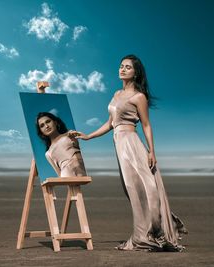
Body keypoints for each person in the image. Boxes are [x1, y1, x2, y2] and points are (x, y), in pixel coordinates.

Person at [71, 54, 187, 252]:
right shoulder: (116, 94)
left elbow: (146, 125)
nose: (122, 70)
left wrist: (152, 151)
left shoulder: (139, 97)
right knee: (132, 189)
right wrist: (88, 136)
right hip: (120, 145)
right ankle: (147, 230)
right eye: (121, 66)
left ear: (135, 73)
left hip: (132, 144)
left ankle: (155, 231)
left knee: (147, 186)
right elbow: (110, 123)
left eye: (128, 67)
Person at [36, 112, 87, 177]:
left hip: (83, 172)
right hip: (67, 176)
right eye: (42, 125)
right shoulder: (48, 154)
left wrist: (75, 139)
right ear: (41, 132)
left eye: (48, 121)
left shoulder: (70, 134)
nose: (46, 126)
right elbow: (59, 174)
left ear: (55, 122)